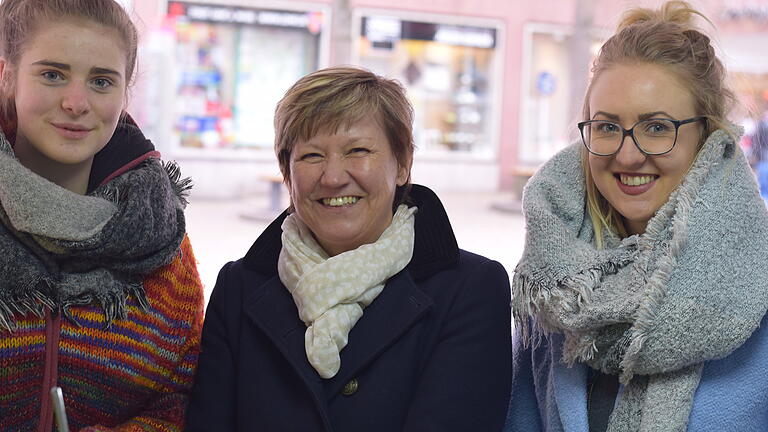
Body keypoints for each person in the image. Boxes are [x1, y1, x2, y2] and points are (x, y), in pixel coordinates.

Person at [186, 66, 511, 431]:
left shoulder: (471, 289)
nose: (334, 177)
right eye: (311, 156)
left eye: (357, 150)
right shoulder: (239, 287)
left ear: (402, 164)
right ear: (287, 172)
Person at [504, 2, 768, 431]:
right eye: (607, 127)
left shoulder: (759, 279)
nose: (628, 155)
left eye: (657, 127)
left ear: (707, 137)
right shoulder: (557, 283)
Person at [0, 0, 205, 430]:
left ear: (124, 93)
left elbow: (181, 399)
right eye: (52, 74)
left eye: (101, 81)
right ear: (7, 77)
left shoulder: (163, 243)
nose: (76, 102)